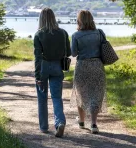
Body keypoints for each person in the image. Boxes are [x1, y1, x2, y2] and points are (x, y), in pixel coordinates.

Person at [34, 8, 71, 137]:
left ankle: (44, 127)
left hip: (43, 67)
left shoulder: (39, 34)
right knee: (56, 97)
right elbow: (69, 52)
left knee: (42, 98)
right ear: (54, 18)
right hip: (57, 66)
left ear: (41, 19)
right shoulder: (63, 33)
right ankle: (60, 122)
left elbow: (37, 57)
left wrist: (37, 76)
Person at [70, 10, 107, 134]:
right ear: (91, 20)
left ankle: (81, 121)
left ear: (79, 20)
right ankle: (94, 123)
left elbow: (74, 53)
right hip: (97, 65)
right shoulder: (99, 33)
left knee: (81, 93)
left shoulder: (76, 35)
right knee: (96, 93)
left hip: (82, 66)